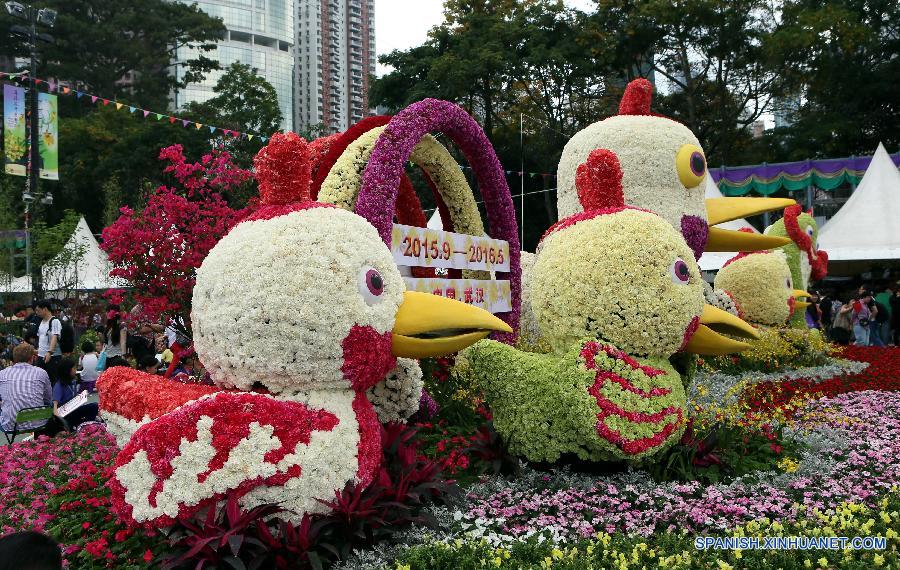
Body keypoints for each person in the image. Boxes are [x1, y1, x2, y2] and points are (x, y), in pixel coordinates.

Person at [0, 344, 52, 435]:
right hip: (38, 422)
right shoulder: (41, 372)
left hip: (10, 425)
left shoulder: (2, 373)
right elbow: (48, 398)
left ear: (14, 358)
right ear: (32, 358)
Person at [52, 358, 99, 428]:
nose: (76, 370)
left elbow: (74, 397)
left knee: (95, 406)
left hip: (74, 409)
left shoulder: (72, 381)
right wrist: (60, 421)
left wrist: (81, 397)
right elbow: (54, 405)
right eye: (74, 368)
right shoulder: (59, 386)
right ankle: (77, 425)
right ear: (68, 370)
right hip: (66, 415)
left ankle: (84, 424)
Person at [34, 300, 62, 385]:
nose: (36, 313)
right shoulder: (41, 322)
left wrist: (50, 352)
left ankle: (54, 397)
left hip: (53, 356)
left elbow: (55, 337)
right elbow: (41, 338)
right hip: (41, 356)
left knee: (53, 380)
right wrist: (38, 351)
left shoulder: (54, 321)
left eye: (38, 310)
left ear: (45, 309)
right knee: (40, 380)